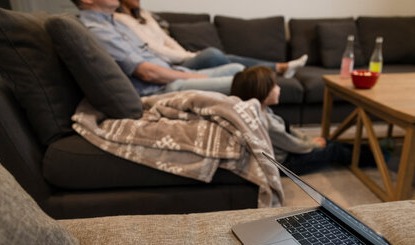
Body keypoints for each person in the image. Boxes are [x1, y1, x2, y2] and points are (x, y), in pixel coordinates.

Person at [70, 0, 244, 96]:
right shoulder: (98, 31)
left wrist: (186, 70)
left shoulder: (113, 23)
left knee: (239, 69)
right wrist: (192, 75)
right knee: (249, 83)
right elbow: (148, 73)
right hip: (162, 87)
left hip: (173, 73)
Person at [230, 66, 380, 175]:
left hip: (289, 152)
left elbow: (290, 133)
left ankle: (367, 149)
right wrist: (313, 144)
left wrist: (310, 140)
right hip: (286, 163)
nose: (279, 88)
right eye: (274, 86)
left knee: (328, 142)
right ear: (261, 92)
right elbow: (293, 145)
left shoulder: (263, 110)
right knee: (332, 150)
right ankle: (375, 159)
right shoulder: (266, 123)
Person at [114, 0, 308, 78]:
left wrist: (186, 53)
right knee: (215, 55)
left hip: (180, 58)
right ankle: (278, 68)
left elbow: (166, 40)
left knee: (228, 61)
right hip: (166, 65)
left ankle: (277, 68)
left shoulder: (144, 15)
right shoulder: (120, 20)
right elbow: (155, 49)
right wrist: (187, 56)